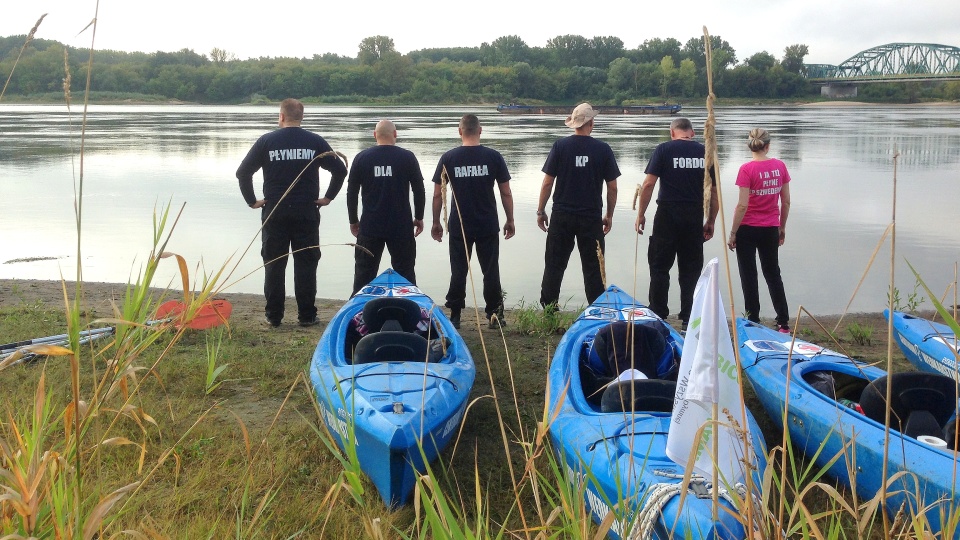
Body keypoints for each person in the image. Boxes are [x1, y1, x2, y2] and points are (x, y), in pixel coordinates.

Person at [236, 98, 347, 328]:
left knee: (274, 263)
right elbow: (340, 170)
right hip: (306, 212)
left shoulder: (267, 141)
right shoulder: (314, 141)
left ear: (281, 116)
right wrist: (328, 197)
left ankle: (274, 316)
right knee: (306, 263)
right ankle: (306, 316)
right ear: (301, 117)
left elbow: (243, 172)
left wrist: (252, 201)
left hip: (274, 211)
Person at [430, 114, 515, 329]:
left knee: (458, 270)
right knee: (490, 270)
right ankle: (495, 315)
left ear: (460, 131)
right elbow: (506, 192)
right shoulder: (493, 157)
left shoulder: (448, 158)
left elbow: (437, 194)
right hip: (487, 224)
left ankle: (456, 316)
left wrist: (436, 222)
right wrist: (510, 219)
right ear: (480, 130)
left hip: (460, 225)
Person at [635, 117, 718, 331]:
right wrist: (710, 220)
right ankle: (688, 319)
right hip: (693, 215)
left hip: (667, 215)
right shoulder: (706, 152)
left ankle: (658, 314)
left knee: (659, 266)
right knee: (690, 271)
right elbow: (714, 192)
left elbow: (649, 184)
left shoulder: (663, 149)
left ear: (672, 132)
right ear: (692, 133)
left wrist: (641, 214)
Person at [536, 103, 620, 308]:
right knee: (593, 267)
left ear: (574, 124)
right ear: (591, 123)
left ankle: (549, 309)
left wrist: (541, 210)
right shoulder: (603, 149)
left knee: (554, 264)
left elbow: (548, 182)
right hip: (591, 216)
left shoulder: (560, 146)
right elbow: (612, 187)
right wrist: (609, 214)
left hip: (562, 214)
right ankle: (597, 309)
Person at [346, 119, 426, 295]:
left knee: (363, 275)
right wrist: (419, 216)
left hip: (370, 226)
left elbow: (351, 192)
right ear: (395, 134)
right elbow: (419, 189)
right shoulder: (407, 157)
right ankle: (408, 311)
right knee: (405, 274)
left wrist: (353, 220)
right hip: (401, 226)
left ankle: (359, 313)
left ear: (375, 135)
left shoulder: (362, 158)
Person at [727, 128, 792, 333]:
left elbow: (742, 205)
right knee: (773, 274)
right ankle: (783, 322)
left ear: (750, 146)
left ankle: (753, 319)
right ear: (767, 145)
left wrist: (733, 232)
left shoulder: (746, 169)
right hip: (771, 227)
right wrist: (782, 226)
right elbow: (786, 202)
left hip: (747, 228)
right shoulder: (779, 166)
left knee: (749, 274)